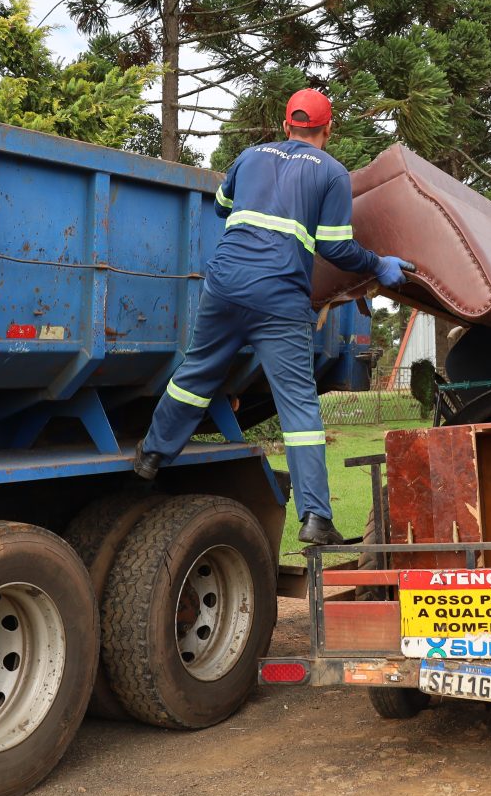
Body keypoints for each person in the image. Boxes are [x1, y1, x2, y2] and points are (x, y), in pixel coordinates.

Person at [134, 89, 410, 546]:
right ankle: (317, 519)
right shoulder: (334, 174)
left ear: (286, 126)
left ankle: (151, 456)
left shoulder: (249, 156)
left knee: (195, 376)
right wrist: (381, 265)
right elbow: (336, 248)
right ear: (328, 128)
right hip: (279, 297)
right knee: (298, 407)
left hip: (224, 286)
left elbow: (222, 206)